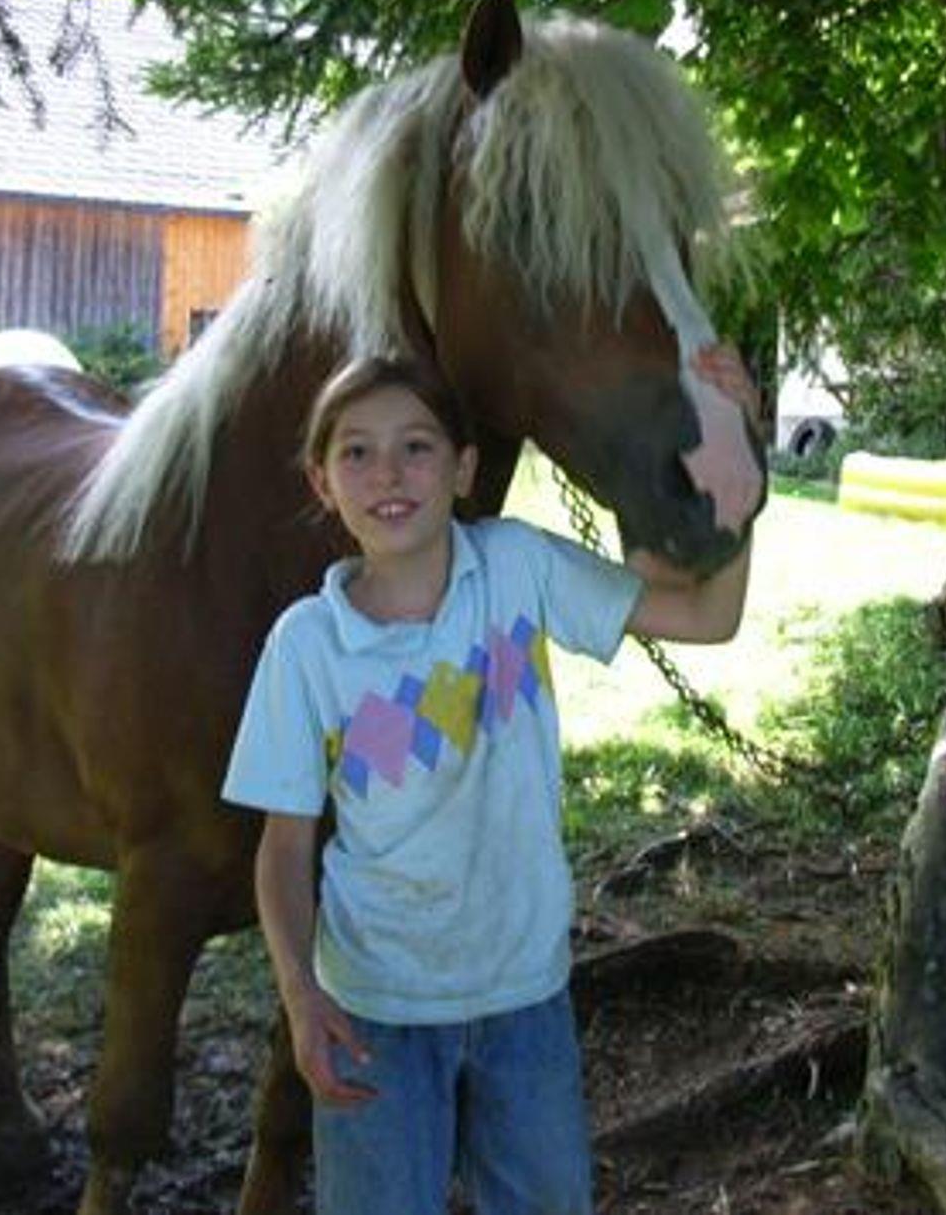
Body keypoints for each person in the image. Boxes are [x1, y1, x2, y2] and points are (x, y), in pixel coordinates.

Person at [222, 347, 758, 1215]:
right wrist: (300, 995)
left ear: (465, 468)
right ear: (322, 481)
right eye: (356, 451)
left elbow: (708, 614)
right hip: (373, 1010)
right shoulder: (306, 646)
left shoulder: (516, 569)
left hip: (524, 999)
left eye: (417, 446)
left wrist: (741, 465)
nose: (388, 474)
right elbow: (283, 850)